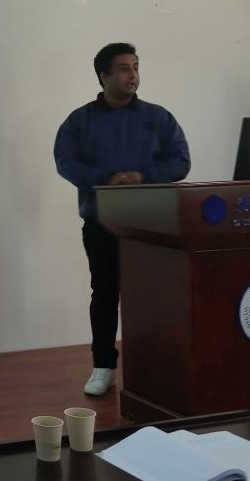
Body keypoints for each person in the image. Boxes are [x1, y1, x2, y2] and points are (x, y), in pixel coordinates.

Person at [54, 43, 190, 396]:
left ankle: (154, 364)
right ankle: (104, 366)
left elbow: (180, 162)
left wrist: (142, 176)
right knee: (104, 293)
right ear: (104, 76)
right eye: (124, 68)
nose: (133, 75)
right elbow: (66, 163)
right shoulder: (79, 121)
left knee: (153, 295)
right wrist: (108, 178)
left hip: (153, 224)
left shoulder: (158, 117)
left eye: (136, 67)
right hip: (102, 222)